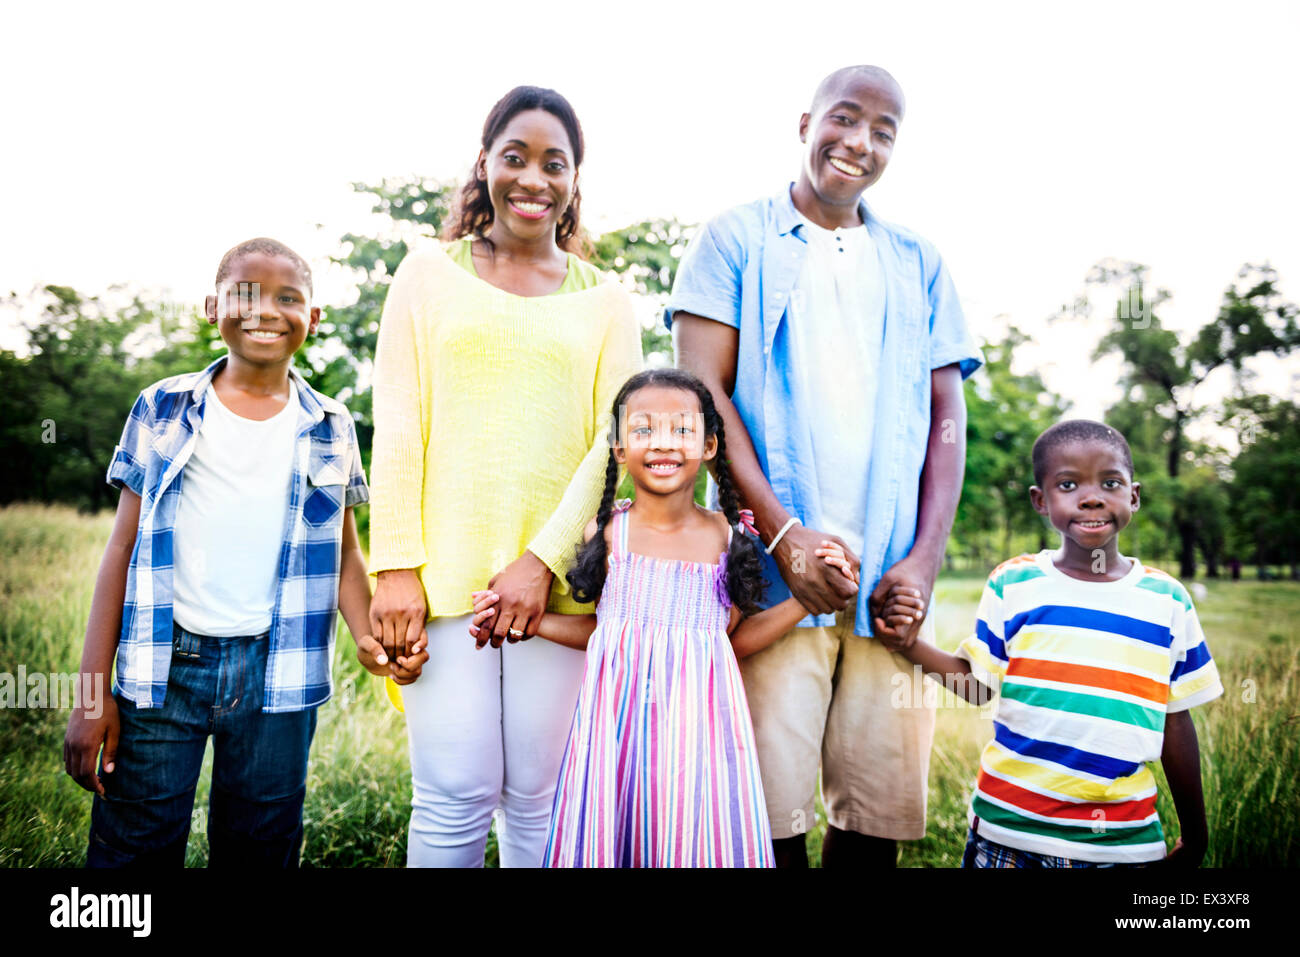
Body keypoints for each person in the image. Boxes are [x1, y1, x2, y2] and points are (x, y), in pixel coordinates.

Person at [667, 64, 983, 867]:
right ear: (805, 123)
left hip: (887, 589)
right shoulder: (736, 239)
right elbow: (705, 398)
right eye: (846, 120)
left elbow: (947, 418)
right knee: (766, 821)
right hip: (772, 582)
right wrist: (784, 540)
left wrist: (923, 559)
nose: (861, 143)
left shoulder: (919, 262)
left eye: (884, 131)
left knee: (874, 825)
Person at [367, 86, 643, 867]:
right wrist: (395, 571)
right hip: (443, 585)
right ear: (484, 163)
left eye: (555, 163)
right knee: (452, 796)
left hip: (557, 592)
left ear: (574, 180)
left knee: (542, 801)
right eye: (514, 157)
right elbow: (399, 426)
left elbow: (615, 440)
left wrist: (541, 560)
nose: (533, 178)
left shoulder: (608, 300)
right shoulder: (424, 274)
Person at [62, 238, 374, 867]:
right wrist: (93, 697)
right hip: (164, 671)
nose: (266, 310)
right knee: (133, 848)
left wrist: (369, 636)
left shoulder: (332, 424)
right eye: (245, 293)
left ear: (313, 319)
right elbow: (121, 548)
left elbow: (342, 554)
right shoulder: (162, 407)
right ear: (213, 306)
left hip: (275, 676)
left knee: (260, 844)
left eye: (289, 298)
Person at [468, 369, 858, 866]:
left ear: (711, 446)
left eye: (682, 430)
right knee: (619, 834)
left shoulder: (728, 536)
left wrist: (808, 599)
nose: (663, 444)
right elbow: (605, 631)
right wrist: (522, 621)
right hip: (617, 734)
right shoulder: (607, 533)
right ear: (618, 449)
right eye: (643, 429)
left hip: (702, 736)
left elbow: (728, 641)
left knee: (690, 836)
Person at [878, 420, 1223, 867]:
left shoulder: (1168, 600)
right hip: (1007, 834)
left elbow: (1177, 722)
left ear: (1133, 496)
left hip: (1121, 844)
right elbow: (978, 687)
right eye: (1068, 484)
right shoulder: (1014, 583)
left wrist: (1196, 835)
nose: (1093, 496)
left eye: (1110, 482)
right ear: (1041, 501)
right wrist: (908, 646)